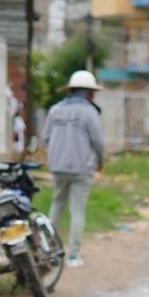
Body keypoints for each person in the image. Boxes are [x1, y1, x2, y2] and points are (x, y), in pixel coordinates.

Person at [43, 70, 105, 269]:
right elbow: (98, 142)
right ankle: (73, 256)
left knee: (57, 205)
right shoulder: (89, 112)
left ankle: (51, 252)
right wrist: (100, 160)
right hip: (82, 168)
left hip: (58, 166)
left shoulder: (55, 111)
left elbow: (45, 138)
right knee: (77, 209)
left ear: (71, 90)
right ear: (88, 93)